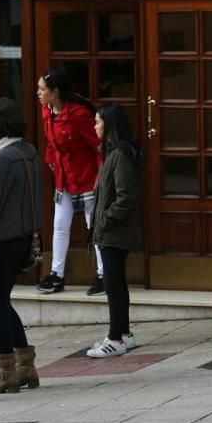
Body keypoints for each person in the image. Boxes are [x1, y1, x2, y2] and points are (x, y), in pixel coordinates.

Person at [0, 99, 42, 394]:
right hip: (23, 236)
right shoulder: (28, 151)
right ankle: (26, 364)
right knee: (0, 300)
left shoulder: (1, 157)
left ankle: (7, 372)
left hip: (0, 239)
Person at [36, 69, 104, 295]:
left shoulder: (78, 114)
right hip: (63, 177)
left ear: (55, 92)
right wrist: (49, 159)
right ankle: (57, 274)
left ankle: (104, 275)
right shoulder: (47, 110)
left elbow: (97, 145)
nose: (39, 93)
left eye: (42, 89)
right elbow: (51, 141)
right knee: (60, 225)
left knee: (92, 226)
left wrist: (101, 175)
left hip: (85, 176)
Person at [86, 104, 141, 358]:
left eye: (98, 122)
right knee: (116, 283)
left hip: (114, 233)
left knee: (113, 285)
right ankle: (124, 334)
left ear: (109, 125)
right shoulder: (111, 153)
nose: (94, 126)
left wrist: (104, 221)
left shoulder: (120, 155)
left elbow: (125, 198)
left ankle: (116, 337)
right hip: (109, 231)